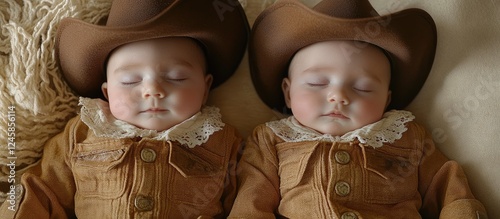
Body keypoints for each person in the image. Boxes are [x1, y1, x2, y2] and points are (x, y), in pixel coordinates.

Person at [229, 0, 488, 218]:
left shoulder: (407, 136)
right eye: (317, 83)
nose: (338, 96)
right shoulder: (271, 140)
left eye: (363, 87)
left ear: (387, 100)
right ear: (287, 92)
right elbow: (251, 204)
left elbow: (446, 184)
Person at [0, 0, 249, 218]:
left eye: (176, 77)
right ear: (107, 93)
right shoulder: (82, 135)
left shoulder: (224, 143)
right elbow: (41, 191)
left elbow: (247, 200)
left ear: (205, 90)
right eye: (131, 81)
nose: (152, 90)